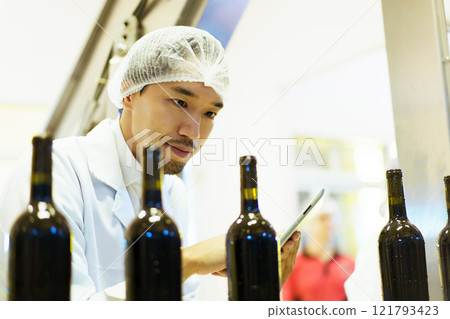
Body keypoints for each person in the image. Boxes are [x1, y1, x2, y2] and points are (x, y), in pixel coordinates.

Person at [0, 26, 300, 300]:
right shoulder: (57, 170)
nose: (193, 132)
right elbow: (52, 304)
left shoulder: (172, 194)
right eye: (180, 102)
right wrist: (186, 262)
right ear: (129, 93)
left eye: (210, 114)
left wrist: (256, 294)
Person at [282, 198, 354, 301]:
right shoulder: (294, 265)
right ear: (310, 224)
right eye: (323, 218)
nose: (329, 223)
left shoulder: (349, 262)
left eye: (332, 219)